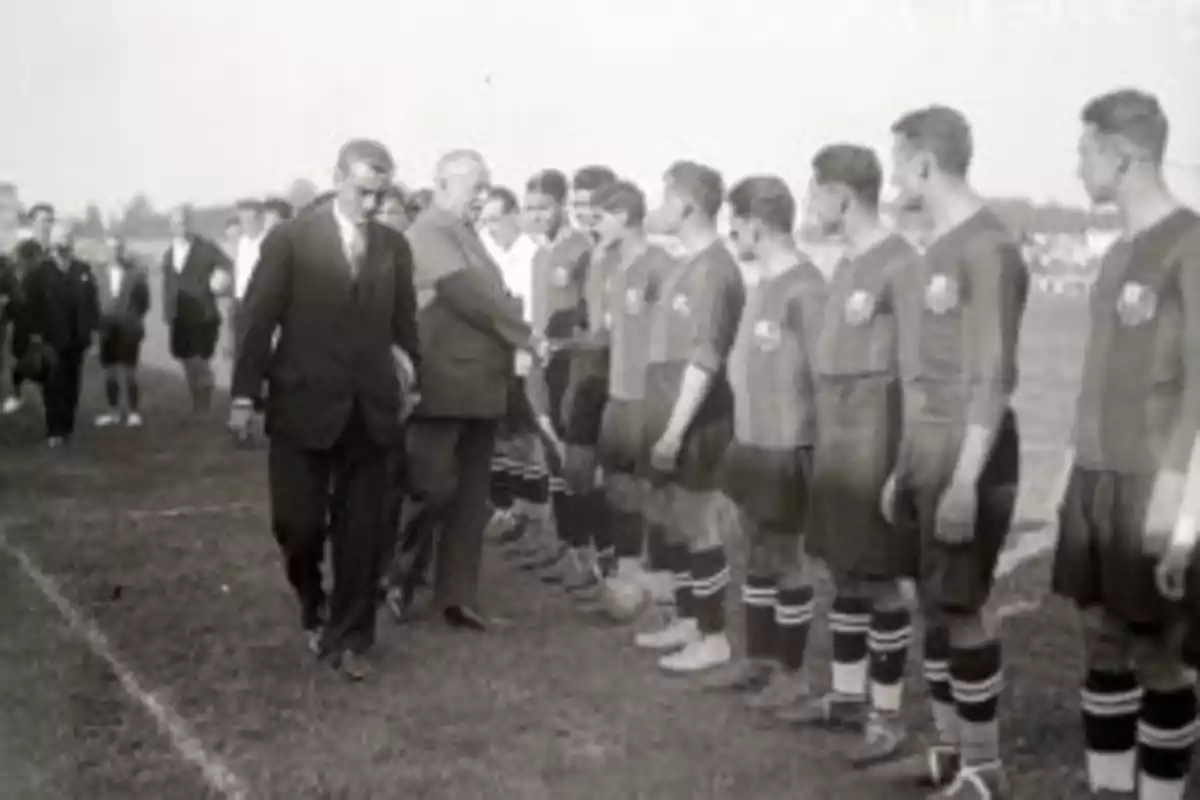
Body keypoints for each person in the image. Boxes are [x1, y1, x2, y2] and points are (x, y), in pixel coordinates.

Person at [1050, 89, 1200, 800]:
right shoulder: (1115, 257)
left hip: (1157, 481)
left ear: (1124, 154)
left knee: (1160, 653)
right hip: (1095, 479)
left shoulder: (1191, 245)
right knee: (1099, 638)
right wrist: (1067, 476)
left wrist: (1185, 509)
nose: (1077, 165)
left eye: (1085, 150)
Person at [230, 139, 420, 681]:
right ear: (337, 178)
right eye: (362, 191)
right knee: (298, 526)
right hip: (302, 406)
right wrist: (244, 395)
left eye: (380, 195)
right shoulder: (291, 240)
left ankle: (350, 639)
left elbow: (405, 326)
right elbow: (257, 322)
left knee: (362, 535)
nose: (371, 204)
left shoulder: (393, 248)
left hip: (370, 412)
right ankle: (312, 599)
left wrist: (412, 384)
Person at [883, 105, 1029, 798]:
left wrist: (965, 481)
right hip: (926, 452)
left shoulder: (987, 248)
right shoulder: (934, 249)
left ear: (922, 164)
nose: (892, 180)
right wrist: (904, 465)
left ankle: (985, 767)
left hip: (971, 455)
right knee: (932, 604)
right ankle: (948, 751)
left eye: (895, 165)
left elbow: (991, 377)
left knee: (965, 607)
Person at [783, 145, 919, 768]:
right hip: (835, 427)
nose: (811, 205)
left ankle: (886, 713)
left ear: (840, 194)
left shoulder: (900, 263)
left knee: (879, 576)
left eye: (815, 193)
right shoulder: (843, 265)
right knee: (841, 565)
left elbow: (917, 372)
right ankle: (843, 696)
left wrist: (903, 463)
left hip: (874, 429)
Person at [401, 149, 542, 632]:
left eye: (486, 187)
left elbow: (488, 297)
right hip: (442, 384)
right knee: (430, 490)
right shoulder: (428, 230)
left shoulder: (463, 233)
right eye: (474, 187)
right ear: (442, 183)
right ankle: (394, 578)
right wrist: (526, 334)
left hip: (480, 386)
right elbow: (471, 295)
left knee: (470, 497)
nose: (483, 197)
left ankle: (457, 599)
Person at [697, 175, 825, 691]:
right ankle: (758, 659)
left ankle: (790, 673)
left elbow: (823, 376)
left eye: (736, 226)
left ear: (755, 225)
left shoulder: (807, 288)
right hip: (749, 444)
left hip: (787, 446)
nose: (733, 236)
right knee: (753, 552)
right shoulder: (763, 286)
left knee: (786, 558)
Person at [634, 161, 745, 673]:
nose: (657, 209)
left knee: (701, 524)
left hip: (697, 416)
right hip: (667, 407)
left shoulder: (716, 270)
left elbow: (705, 358)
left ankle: (714, 634)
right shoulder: (686, 262)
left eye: (663, 198)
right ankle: (687, 618)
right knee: (677, 520)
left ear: (684, 205)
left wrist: (676, 431)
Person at [590, 180, 676, 602]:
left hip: (650, 396)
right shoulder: (612, 265)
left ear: (623, 217)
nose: (594, 225)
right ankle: (627, 568)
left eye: (600, 217)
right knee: (617, 482)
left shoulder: (661, 264)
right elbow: (604, 329)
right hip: (618, 393)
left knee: (654, 488)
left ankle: (663, 576)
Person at [22, 223, 100, 447]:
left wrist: (93, 331)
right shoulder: (41, 272)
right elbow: (31, 306)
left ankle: (67, 426)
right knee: (53, 383)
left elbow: (92, 301)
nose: (63, 243)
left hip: (78, 338)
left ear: (72, 242)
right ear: (53, 242)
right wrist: (34, 335)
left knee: (73, 383)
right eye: (59, 239)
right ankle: (54, 429)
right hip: (51, 338)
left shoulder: (82, 269)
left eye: (67, 238)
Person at [161, 204, 232, 414]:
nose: (179, 227)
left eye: (183, 223)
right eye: (175, 224)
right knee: (184, 357)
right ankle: (198, 398)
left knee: (199, 357)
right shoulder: (168, 254)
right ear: (170, 226)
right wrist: (167, 311)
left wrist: (219, 282)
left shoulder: (205, 247)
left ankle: (204, 396)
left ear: (190, 224)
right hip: (178, 316)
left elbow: (228, 265)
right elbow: (168, 284)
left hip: (204, 315)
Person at [94, 237, 151, 428]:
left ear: (122, 250)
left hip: (128, 328)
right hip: (107, 328)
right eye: (110, 249)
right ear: (105, 251)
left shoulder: (135, 273)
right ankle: (113, 411)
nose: (114, 252)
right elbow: (94, 300)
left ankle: (134, 412)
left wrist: (132, 318)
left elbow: (144, 302)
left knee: (130, 372)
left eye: (117, 248)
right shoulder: (98, 273)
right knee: (110, 372)